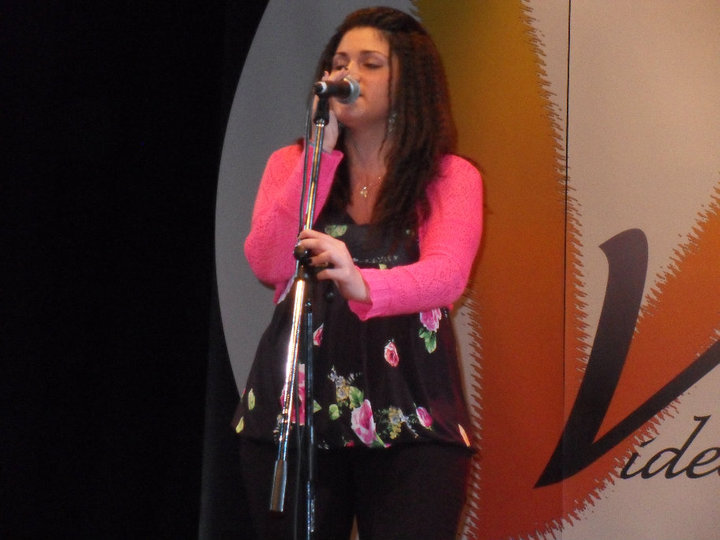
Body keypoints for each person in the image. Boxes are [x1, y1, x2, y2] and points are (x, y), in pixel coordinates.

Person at [233, 7, 483, 540]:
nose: (347, 74)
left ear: (410, 83)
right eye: (340, 62)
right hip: (295, 411)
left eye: (370, 63)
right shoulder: (292, 164)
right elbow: (267, 261)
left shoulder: (448, 176)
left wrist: (362, 281)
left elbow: (446, 276)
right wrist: (319, 156)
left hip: (410, 415)